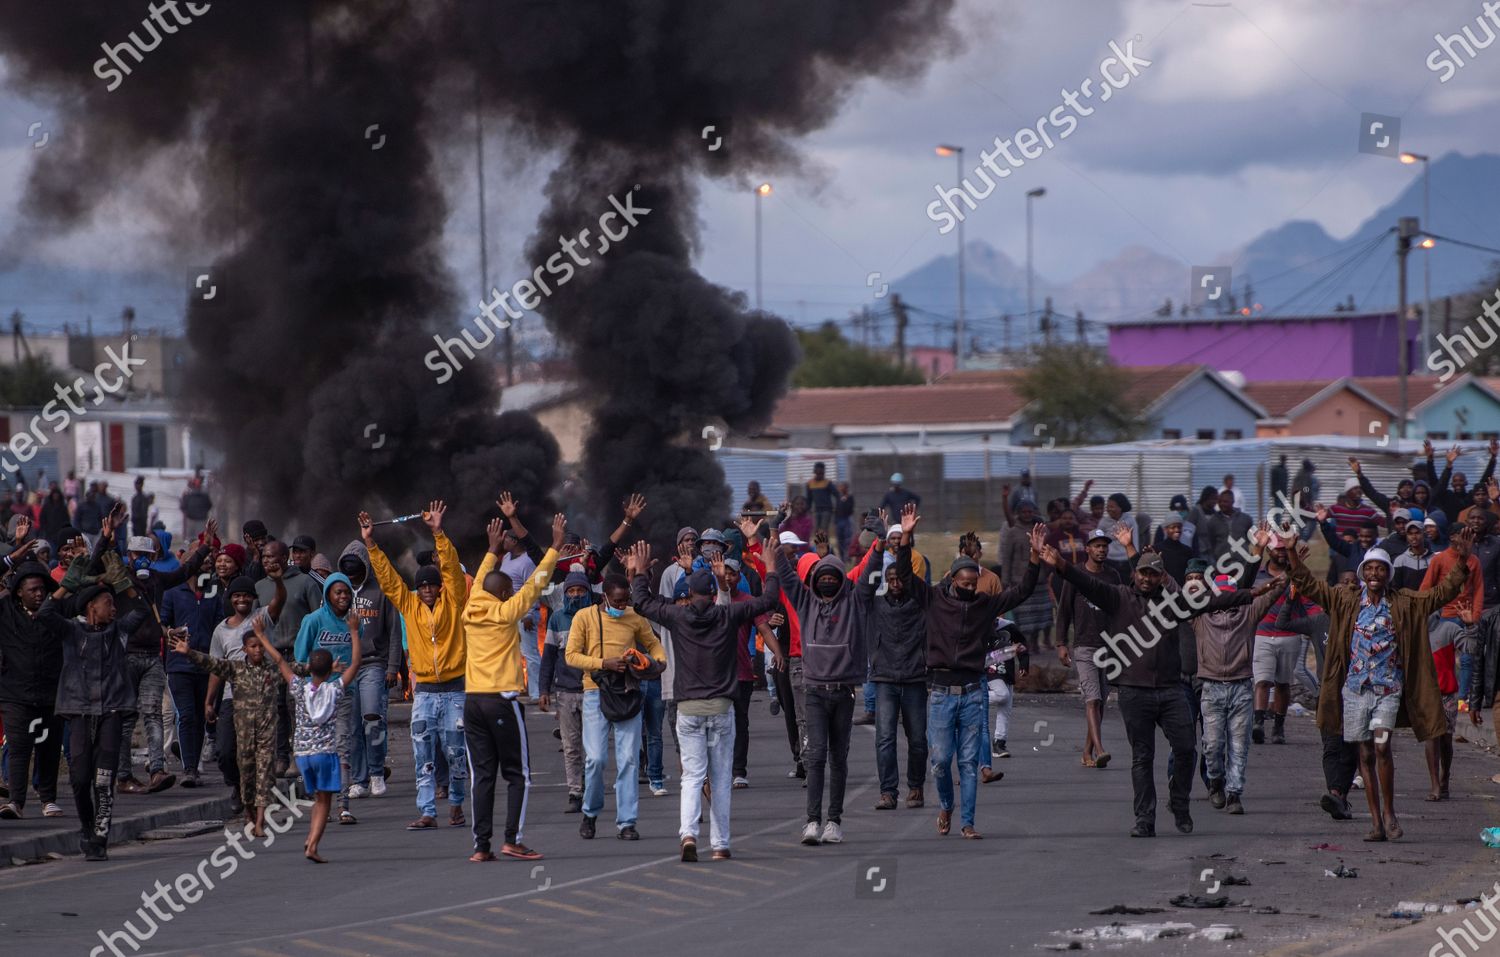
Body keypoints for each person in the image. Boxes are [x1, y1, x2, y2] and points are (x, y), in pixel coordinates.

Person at [1040, 536, 1251, 838]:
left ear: (1161, 577)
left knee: (1186, 749)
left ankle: (1179, 803)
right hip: (1133, 690)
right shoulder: (1118, 597)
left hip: (1170, 689)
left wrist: (1250, 594)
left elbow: (1213, 601)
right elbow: (1087, 584)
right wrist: (1061, 565)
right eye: (1143, 573)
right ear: (1134, 574)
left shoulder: (1174, 604)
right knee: (1143, 757)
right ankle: (1144, 820)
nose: (1147, 578)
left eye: (1153, 573)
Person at [1290, 532, 1473, 841]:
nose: (1375, 574)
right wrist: (1292, 554)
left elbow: (1441, 594)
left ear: (1388, 574)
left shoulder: (1404, 602)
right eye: (1370, 569)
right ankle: (1375, 822)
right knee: (1364, 754)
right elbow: (1309, 586)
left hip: (1387, 691)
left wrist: (1462, 559)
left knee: (1382, 748)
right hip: (1354, 692)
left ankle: (1389, 814)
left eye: (1381, 569)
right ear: (1363, 573)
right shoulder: (1346, 599)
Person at [628, 541, 781, 861]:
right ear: (714, 594)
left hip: (688, 708)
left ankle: (688, 834)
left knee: (692, 775)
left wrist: (640, 572)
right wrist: (770, 566)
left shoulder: (678, 616)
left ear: (689, 594)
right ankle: (720, 844)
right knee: (721, 777)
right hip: (721, 708)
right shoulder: (728, 614)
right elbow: (768, 599)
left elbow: (641, 602)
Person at [899, 506, 1044, 839]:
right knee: (940, 761)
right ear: (952, 579)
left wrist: (1035, 557)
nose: (968, 587)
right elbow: (906, 577)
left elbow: (1020, 592)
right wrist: (906, 537)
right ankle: (946, 806)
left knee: (967, 763)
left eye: (973, 583)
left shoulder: (983, 604)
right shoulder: (933, 599)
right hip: (939, 692)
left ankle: (967, 822)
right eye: (963, 582)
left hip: (972, 690)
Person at [463, 512, 564, 862]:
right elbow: (536, 583)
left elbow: (479, 582)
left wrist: (492, 550)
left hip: (472, 701)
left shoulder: (471, 606)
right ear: (505, 593)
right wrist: (554, 548)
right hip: (501, 700)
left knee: (483, 776)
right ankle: (512, 839)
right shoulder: (506, 612)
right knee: (518, 775)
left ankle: (481, 846)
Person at [363, 501, 469, 830]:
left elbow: (451, 567)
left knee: (455, 752)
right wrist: (370, 543)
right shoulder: (408, 605)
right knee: (422, 754)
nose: (425, 591)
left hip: (454, 691)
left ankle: (455, 802)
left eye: (431, 586)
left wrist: (437, 532)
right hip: (423, 693)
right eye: (421, 586)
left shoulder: (454, 601)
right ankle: (427, 811)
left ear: (440, 588)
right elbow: (390, 580)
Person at [40, 565, 148, 860]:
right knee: (79, 778)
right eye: (108, 603)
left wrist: (124, 583)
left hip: (111, 712)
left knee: (103, 779)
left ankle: (99, 837)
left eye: (114, 603)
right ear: (91, 607)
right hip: (78, 712)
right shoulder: (71, 631)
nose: (114, 608)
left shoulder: (119, 631)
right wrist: (68, 584)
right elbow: (46, 613)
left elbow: (141, 610)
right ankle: (87, 827)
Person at [773, 523, 870, 847]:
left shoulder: (854, 602)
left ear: (842, 580)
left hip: (843, 692)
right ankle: (812, 822)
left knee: (838, 758)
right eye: (822, 576)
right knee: (815, 757)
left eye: (833, 576)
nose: (827, 580)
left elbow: (869, 571)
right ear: (813, 580)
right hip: (814, 691)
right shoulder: (804, 601)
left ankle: (834, 822)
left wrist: (883, 542)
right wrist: (770, 533)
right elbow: (785, 571)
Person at [565, 567, 665, 841]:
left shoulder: (635, 617)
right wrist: (603, 663)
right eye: (618, 601)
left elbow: (653, 644)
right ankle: (590, 812)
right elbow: (571, 656)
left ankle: (627, 822)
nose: (622, 606)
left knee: (629, 760)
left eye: (625, 600)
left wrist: (659, 660)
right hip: (595, 692)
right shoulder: (584, 618)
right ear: (604, 597)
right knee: (595, 759)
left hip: (628, 691)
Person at [172, 593, 282, 837]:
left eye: (259, 646)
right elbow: (213, 664)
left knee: (265, 774)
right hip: (242, 731)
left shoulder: (272, 670)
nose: (256, 651)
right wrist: (188, 652)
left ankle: (261, 821)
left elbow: (292, 667)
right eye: (252, 647)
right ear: (244, 649)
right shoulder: (236, 669)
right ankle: (249, 811)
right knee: (242, 769)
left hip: (265, 735)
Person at [1189, 537, 1285, 816]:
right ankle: (1216, 781)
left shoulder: (1249, 612)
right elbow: (1173, 590)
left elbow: (1276, 590)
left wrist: (1292, 561)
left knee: (1239, 746)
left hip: (1242, 686)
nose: (1226, 604)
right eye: (1221, 597)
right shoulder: (1199, 616)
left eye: (1231, 596)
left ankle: (1234, 794)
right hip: (1210, 687)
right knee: (1212, 744)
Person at [260, 619, 360, 862]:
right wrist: (354, 632)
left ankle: (310, 839)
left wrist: (261, 636)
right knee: (325, 802)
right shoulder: (334, 689)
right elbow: (356, 663)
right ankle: (313, 844)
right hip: (325, 753)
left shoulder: (299, 688)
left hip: (303, 756)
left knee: (316, 798)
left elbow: (281, 661)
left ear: (310, 669)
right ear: (330, 671)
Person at [852, 528, 928, 809]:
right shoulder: (874, 605)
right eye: (890, 579)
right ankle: (888, 792)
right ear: (884, 582)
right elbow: (861, 588)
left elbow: (909, 572)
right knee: (885, 739)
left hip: (915, 679)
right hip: (884, 679)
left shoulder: (921, 604)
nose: (895, 583)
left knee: (918, 740)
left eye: (900, 579)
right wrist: (877, 544)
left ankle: (916, 787)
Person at [202, 575, 282, 817]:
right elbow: (217, 668)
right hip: (231, 697)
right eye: (237, 595)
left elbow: (279, 602)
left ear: (253, 598)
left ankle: (257, 798)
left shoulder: (260, 619)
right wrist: (209, 701)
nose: (242, 599)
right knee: (225, 751)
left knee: (259, 752)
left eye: (246, 595)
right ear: (230, 599)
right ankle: (238, 786)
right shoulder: (221, 631)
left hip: (260, 695)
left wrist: (279, 582)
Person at [293, 569, 367, 825]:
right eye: (338, 592)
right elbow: (300, 659)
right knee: (314, 751)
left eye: (347, 592)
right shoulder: (313, 621)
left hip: (343, 694)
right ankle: (318, 801)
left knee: (341, 747)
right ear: (328, 595)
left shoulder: (355, 623)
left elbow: (357, 655)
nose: (343, 597)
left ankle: (343, 806)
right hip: (314, 696)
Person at [336, 539, 402, 800]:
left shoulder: (381, 591)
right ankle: (359, 780)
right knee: (352, 726)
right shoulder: (337, 593)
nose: (352, 575)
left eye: (356, 569)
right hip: (345, 668)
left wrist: (393, 667)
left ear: (365, 566)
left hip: (374, 663)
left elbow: (395, 632)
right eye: (347, 571)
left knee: (372, 719)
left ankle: (376, 772)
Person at [0, 559, 64, 819]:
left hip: (51, 692)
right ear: (19, 592)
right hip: (15, 694)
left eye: (42, 589)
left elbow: (74, 588)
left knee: (48, 748)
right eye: (32, 590)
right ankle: (16, 801)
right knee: (18, 748)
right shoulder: (5, 611)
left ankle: (48, 799)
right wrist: (9, 558)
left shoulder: (54, 612)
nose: (39, 594)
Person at [255, 539, 323, 776]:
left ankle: (298, 757)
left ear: (285, 558)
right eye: (264, 557)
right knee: (276, 708)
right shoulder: (260, 587)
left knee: (298, 709)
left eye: (272, 557)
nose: (267, 561)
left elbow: (318, 620)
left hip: (298, 655)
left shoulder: (305, 583)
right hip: (272, 655)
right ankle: (281, 757)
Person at [1055, 529, 1120, 769]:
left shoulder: (1113, 576)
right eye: (1097, 545)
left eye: (1104, 545)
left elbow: (1119, 608)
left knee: (1101, 700)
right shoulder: (1076, 575)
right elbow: (1063, 611)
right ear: (1088, 549)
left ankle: (1087, 751)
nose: (1101, 549)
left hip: (1109, 646)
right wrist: (1061, 643)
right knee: (1091, 699)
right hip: (1084, 646)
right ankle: (1100, 749)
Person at [540, 569, 592, 813]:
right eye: (571, 591)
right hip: (565, 692)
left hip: (593, 690)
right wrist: (544, 689)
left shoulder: (597, 616)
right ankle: (575, 792)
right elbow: (548, 657)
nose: (575, 594)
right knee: (571, 747)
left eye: (580, 590)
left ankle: (591, 790)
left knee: (593, 748)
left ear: (588, 592)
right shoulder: (557, 618)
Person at [1200, 489, 1251, 563]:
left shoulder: (1245, 519)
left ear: (1232, 501)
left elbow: (1248, 538)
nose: (1222, 504)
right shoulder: (1213, 521)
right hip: (1221, 564)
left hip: (1242, 563)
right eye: (1219, 502)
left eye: (1225, 502)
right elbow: (1210, 542)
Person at [806, 462, 836, 537]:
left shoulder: (827, 483)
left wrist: (837, 507)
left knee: (824, 529)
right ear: (815, 472)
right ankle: (818, 546)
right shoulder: (810, 483)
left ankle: (825, 546)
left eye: (821, 473)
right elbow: (809, 498)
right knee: (816, 529)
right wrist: (808, 510)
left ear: (823, 472)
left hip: (827, 510)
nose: (819, 475)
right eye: (818, 473)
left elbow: (836, 494)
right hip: (816, 510)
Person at [834, 483, 856, 559]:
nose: (840, 489)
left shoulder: (850, 497)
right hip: (839, 520)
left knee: (847, 539)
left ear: (846, 488)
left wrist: (845, 500)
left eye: (842, 487)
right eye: (840, 487)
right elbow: (836, 509)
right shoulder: (838, 497)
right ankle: (842, 557)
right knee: (840, 539)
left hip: (847, 520)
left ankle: (848, 556)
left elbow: (850, 509)